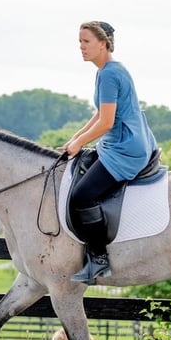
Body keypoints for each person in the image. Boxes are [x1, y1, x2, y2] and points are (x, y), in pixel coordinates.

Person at [62, 20, 158, 284]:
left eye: (86, 41)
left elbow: (107, 122)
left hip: (126, 148)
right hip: (117, 142)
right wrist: (76, 137)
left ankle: (99, 259)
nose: (81, 47)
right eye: (79, 42)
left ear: (102, 44)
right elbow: (100, 114)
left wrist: (80, 143)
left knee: (81, 197)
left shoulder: (109, 74)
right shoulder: (106, 70)